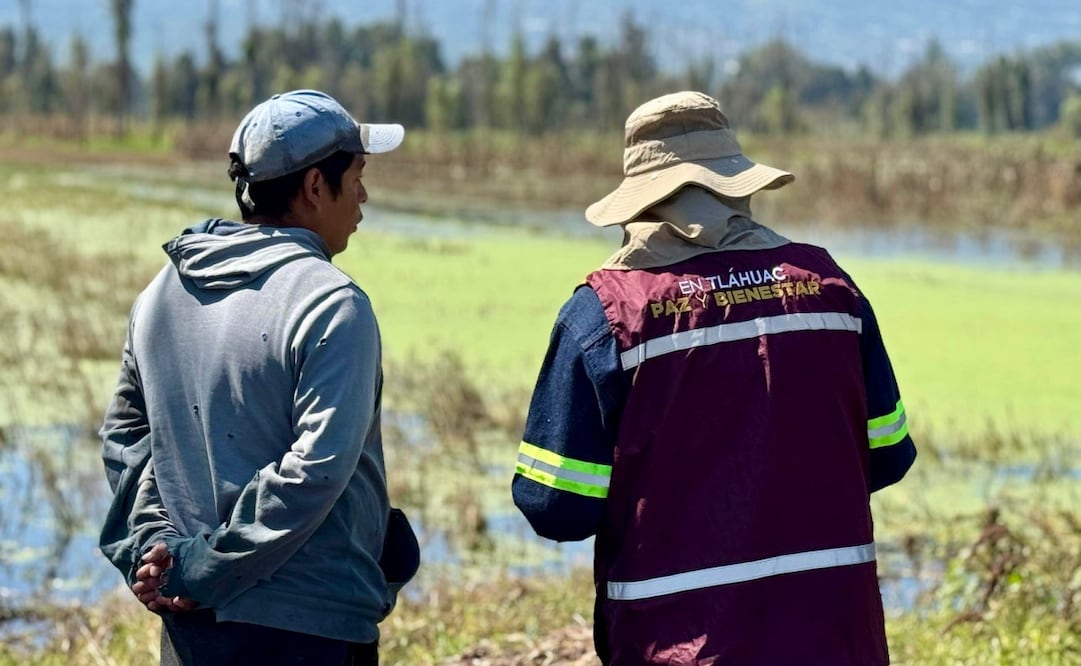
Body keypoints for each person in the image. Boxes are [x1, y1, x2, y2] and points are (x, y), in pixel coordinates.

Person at [512, 91, 916, 665]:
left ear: (641, 202)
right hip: (834, 638)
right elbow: (888, 455)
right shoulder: (831, 288)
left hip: (679, 646)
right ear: (738, 185)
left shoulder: (606, 314)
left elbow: (556, 506)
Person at [98, 89, 419, 666]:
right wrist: (199, 567)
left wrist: (157, 552)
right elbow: (314, 471)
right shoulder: (331, 303)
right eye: (359, 175)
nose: (365, 196)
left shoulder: (159, 295)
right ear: (316, 186)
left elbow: (126, 440)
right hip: (308, 628)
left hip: (191, 628)